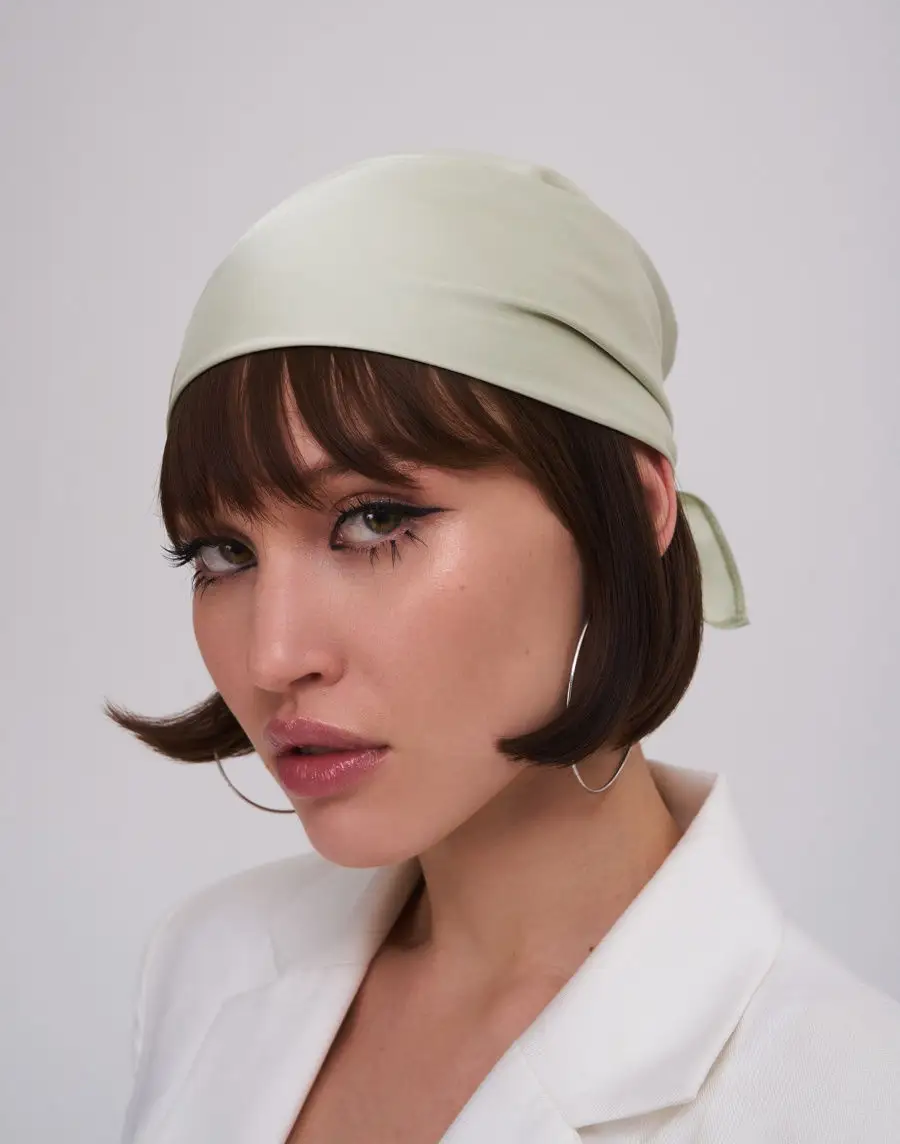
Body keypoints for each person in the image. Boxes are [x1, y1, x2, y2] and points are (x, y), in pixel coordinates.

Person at [108, 151, 900, 1143]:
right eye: (223, 552)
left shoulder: (846, 1101)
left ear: (632, 510)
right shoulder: (203, 964)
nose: (273, 657)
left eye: (374, 520)